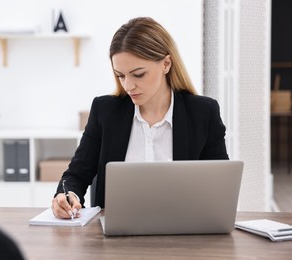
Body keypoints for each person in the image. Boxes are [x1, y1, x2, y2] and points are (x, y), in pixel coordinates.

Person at [51, 17, 228, 219]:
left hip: (183, 234)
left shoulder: (203, 113)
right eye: (121, 76)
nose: (128, 86)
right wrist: (67, 195)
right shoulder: (105, 111)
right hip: (115, 240)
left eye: (138, 74)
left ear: (166, 64)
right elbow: (76, 175)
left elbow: (219, 187)